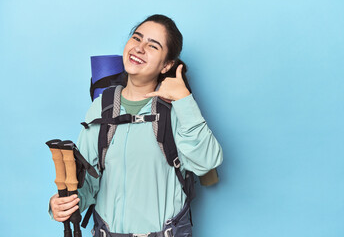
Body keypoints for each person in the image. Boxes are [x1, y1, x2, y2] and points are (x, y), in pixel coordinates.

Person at [49, 14, 223, 236]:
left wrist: (184, 100)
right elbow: (88, 181)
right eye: (136, 38)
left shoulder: (177, 108)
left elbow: (206, 162)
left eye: (153, 46)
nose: (139, 48)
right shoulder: (101, 106)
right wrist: (64, 204)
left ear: (167, 64)